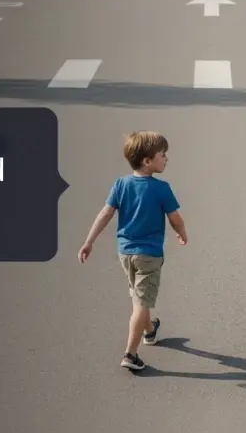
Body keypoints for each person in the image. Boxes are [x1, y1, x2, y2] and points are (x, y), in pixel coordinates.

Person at [78, 131, 187, 372]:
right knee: (141, 303)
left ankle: (149, 331)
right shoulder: (161, 189)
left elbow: (105, 214)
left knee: (140, 298)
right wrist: (182, 233)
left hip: (125, 253)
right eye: (163, 155)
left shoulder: (121, 184)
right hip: (149, 254)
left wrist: (89, 241)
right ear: (147, 161)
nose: (166, 158)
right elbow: (175, 217)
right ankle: (130, 354)